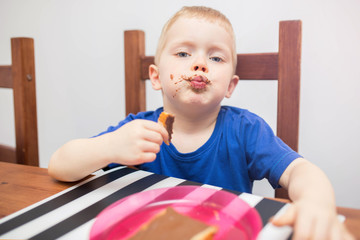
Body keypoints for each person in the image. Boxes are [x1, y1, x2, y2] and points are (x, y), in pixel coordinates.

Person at [49, 6, 354, 240]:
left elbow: (300, 170)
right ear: (155, 77)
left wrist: (317, 202)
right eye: (183, 52)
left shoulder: (245, 130)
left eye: (216, 58)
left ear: (230, 86)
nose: (199, 64)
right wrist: (109, 147)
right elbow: (60, 166)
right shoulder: (135, 131)